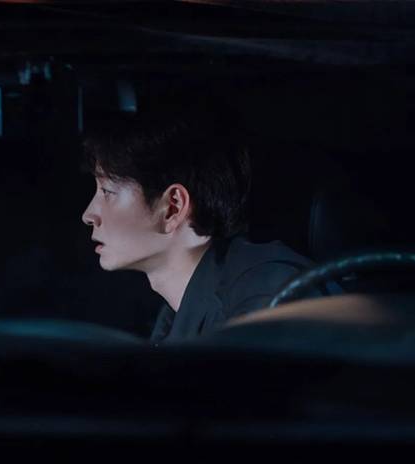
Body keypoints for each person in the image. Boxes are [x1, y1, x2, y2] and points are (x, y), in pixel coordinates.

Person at [81, 110, 316, 344]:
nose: (88, 215)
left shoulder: (267, 291)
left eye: (107, 192)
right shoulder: (171, 320)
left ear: (173, 207)